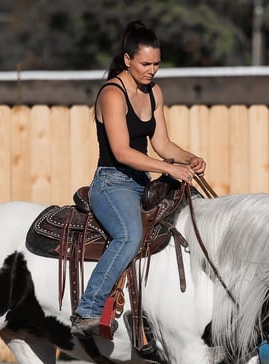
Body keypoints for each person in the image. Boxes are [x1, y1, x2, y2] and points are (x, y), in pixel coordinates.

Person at [71, 20, 207, 337]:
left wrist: (188, 158)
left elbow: (162, 144)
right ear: (128, 59)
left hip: (142, 183)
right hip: (111, 183)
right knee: (129, 235)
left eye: (157, 64)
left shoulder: (154, 92)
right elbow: (121, 152)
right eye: (146, 63)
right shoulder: (111, 94)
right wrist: (170, 169)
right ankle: (87, 310)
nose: (152, 70)